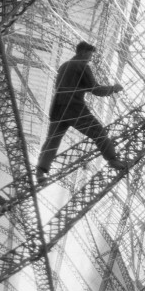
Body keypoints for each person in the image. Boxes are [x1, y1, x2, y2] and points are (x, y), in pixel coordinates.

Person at [36, 41, 128, 185]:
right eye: (90, 55)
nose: (91, 58)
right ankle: (112, 159)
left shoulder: (63, 66)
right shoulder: (82, 66)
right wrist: (113, 88)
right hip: (74, 108)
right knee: (98, 131)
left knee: (52, 141)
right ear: (84, 52)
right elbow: (95, 89)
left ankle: (40, 171)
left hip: (57, 108)